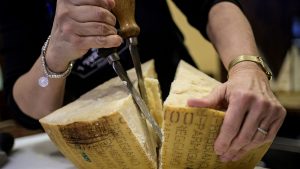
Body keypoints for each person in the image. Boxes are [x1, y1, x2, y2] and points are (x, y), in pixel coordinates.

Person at [0, 0, 286, 163]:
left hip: (189, 128)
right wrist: (56, 53)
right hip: (99, 150)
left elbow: (214, 5)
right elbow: (27, 110)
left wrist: (247, 67)